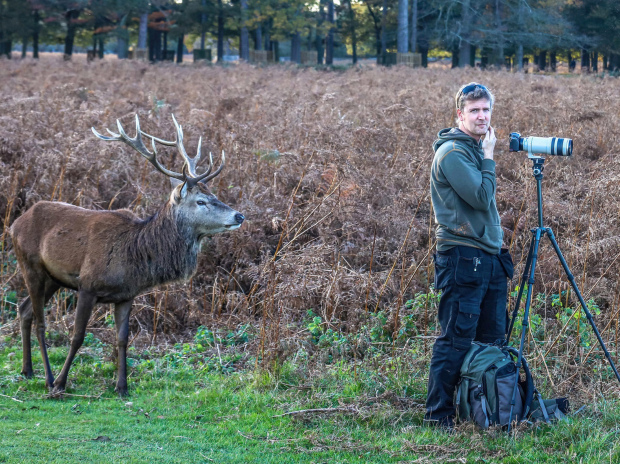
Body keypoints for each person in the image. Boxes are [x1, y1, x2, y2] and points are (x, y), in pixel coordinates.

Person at [425, 83, 514, 430]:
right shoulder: (452, 153)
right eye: (474, 110)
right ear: (459, 115)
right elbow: (480, 196)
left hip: (488, 255)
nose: (481, 116)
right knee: (456, 338)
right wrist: (490, 157)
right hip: (462, 256)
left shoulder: (474, 148)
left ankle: (484, 408)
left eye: (486, 110)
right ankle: (438, 415)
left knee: (493, 336)